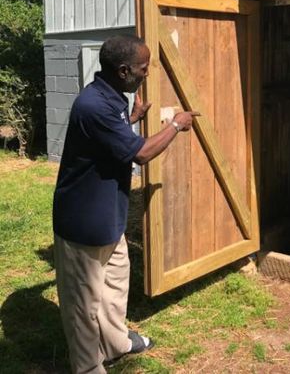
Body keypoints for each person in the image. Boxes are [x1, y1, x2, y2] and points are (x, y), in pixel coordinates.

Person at [52, 35, 198, 373]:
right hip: (82, 221)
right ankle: (88, 366)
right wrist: (176, 124)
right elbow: (141, 153)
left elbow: (109, 138)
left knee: (116, 282)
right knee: (83, 303)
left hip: (108, 214)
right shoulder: (93, 105)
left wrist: (131, 119)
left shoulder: (113, 96)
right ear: (123, 70)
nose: (147, 73)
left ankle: (116, 343)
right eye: (143, 68)